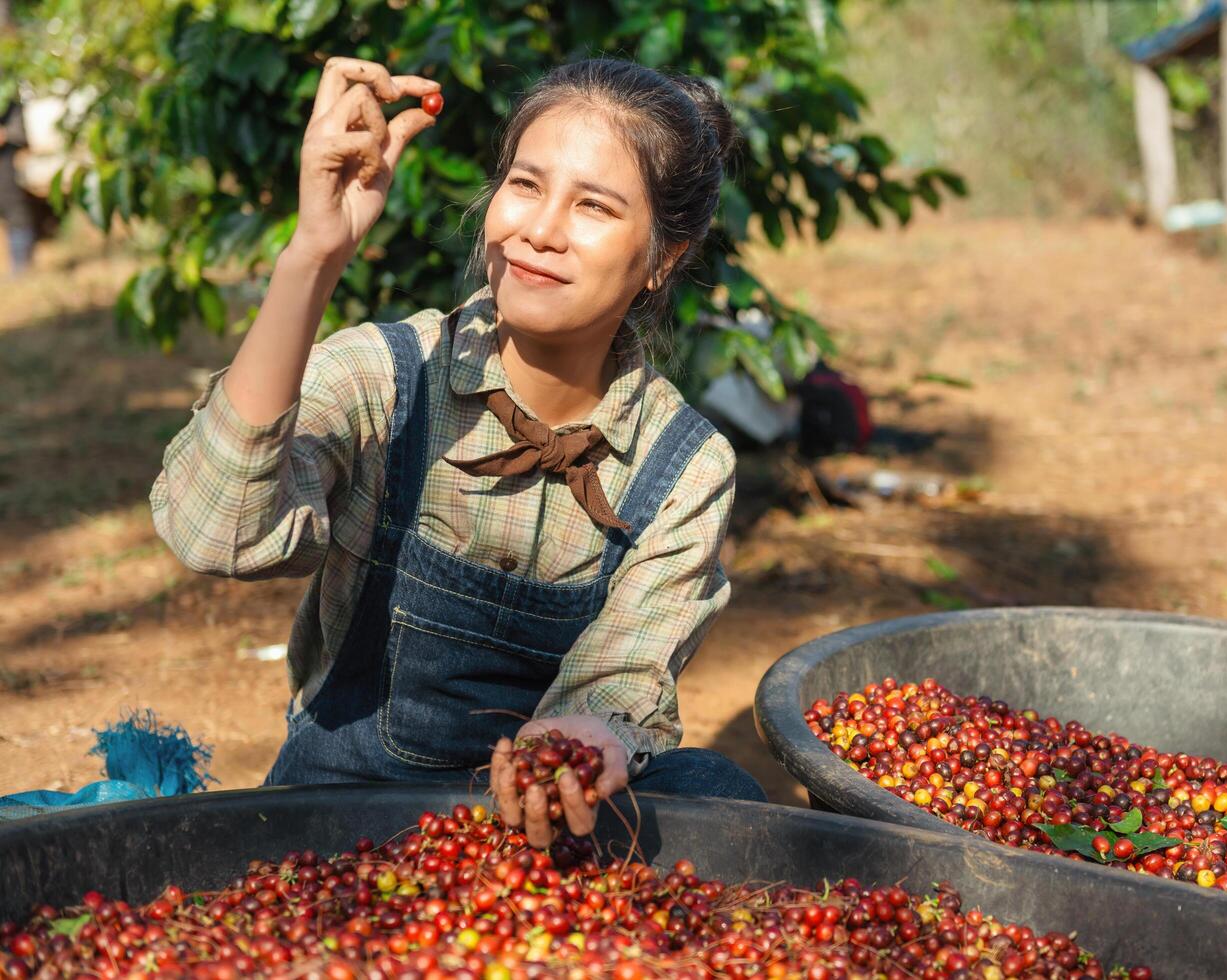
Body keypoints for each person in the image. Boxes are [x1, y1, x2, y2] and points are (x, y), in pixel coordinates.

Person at [151, 55, 765, 847]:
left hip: (545, 823)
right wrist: (312, 257)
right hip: (346, 805)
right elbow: (214, 537)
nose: (539, 231)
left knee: (721, 795)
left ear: (664, 258)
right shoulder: (387, 376)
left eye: (594, 207)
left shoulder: (684, 466)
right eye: (525, 185)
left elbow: (621, 676)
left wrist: (571, 751)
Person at [0, 96, 34, 278]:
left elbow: (19, 133)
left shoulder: (8, 99)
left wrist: (5, 134)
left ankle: (21, 269)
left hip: (5, 168)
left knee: (16, 214)